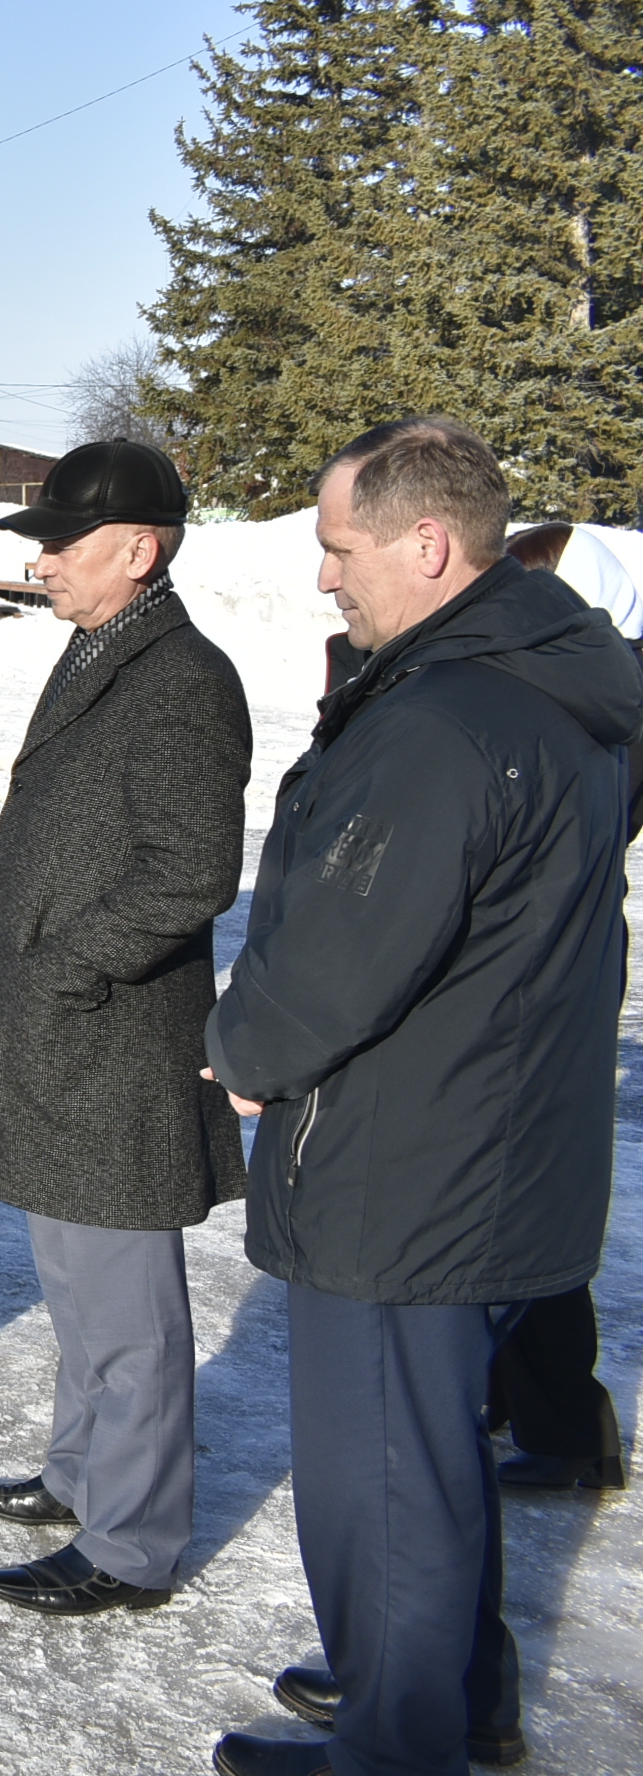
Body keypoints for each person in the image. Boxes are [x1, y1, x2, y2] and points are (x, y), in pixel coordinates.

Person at [206, 419, 638, 1776]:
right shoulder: (539, 686)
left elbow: (339, 956)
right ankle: (458, 1707)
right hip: (494, 1148)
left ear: (427, 545)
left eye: (342, 550)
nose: (330, 579)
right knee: (441, 1468)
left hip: (412, 1174)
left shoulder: (446, 724)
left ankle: (398, 1751)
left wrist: (239, 1050)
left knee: (386, 1488)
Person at [0, 440, 251, 1619]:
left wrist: (64, 968)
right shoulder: (105, 645)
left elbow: (190, 872)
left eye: (63, 542)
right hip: (68, 1032)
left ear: (138, 548)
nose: (45, 560)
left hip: (114, 1039)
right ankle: (78, 1474)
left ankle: (130, 1541)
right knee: (75, 1287)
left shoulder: (181, 677)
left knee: (128, 1314)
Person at [481, 522, 634, 1497]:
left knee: (521, 1194)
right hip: (538, 965)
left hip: (545, 972)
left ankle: (568, 1424)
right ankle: (516, 1392)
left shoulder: (602, 699)